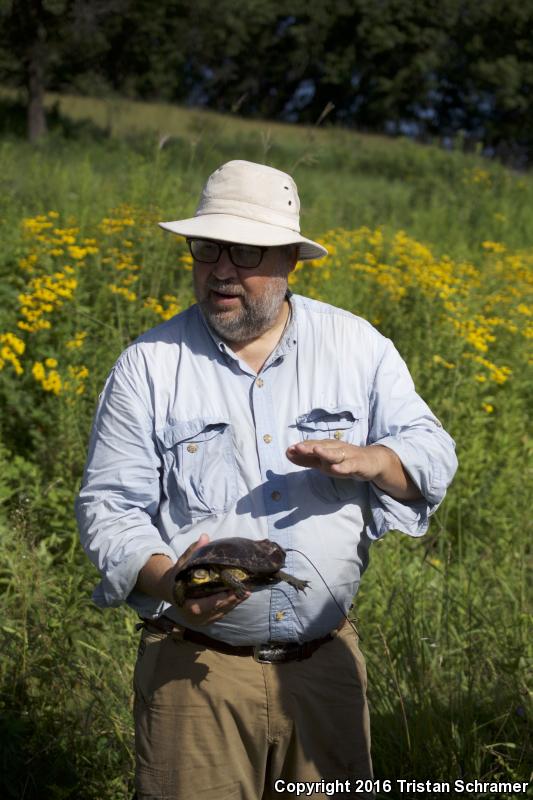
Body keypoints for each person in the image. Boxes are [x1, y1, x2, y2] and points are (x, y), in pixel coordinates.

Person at [76, 160, 458, 800]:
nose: (221, 269)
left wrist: (374, 460)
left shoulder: (357, 347)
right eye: (206, 248)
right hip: (195, 673)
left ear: (290, 260)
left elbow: (432, 453)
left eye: (245, 250)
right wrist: (171, 582)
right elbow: (110, 509)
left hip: (326, 672)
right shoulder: (149, 366)